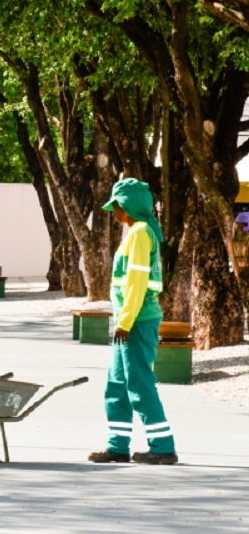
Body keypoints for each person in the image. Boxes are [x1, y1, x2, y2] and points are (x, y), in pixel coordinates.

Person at [88, 179, 178, 465]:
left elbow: (136, 282)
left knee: (138, 383)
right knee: (116, 383)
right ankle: (117, 446)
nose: (114, 212)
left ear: (129, 206)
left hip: (137, 320)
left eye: (117, 205)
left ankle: (163, 447)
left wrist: (125, 321)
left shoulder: (140, 233)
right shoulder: (136, 232)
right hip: (128, 319)